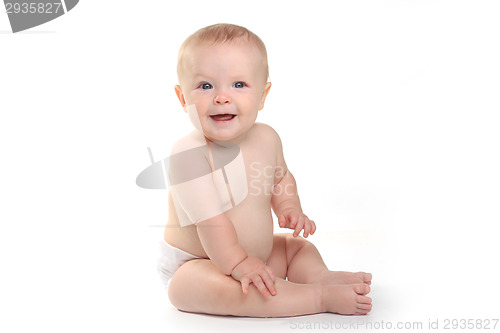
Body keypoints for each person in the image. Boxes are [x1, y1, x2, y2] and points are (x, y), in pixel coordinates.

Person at [158, 23, 373, 317]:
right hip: (201, 264)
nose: (222, 96)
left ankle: (319, 277)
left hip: (254, 256)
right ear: (183, 98)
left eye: (239, 84)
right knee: (217, 287)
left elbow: (281, 177)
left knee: (296, 248)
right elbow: (211, 222)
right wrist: (238, 265)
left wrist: (288, 206)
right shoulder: (189, 155)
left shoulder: (267, 137)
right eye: (206, 86)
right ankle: (317, 298)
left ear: (263, 94)